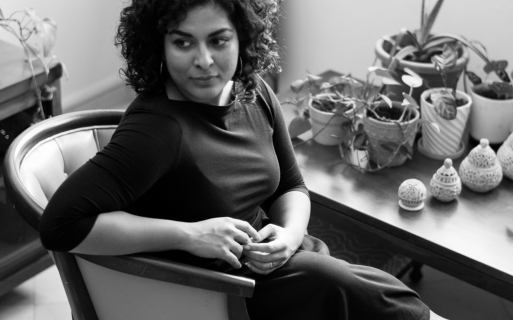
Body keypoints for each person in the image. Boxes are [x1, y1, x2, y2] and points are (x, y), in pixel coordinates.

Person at [39, 0, 447, 319]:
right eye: (183, 42)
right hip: (222, 293)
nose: (204, 61)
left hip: (282, 261)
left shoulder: (253, 92)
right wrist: (191, 234)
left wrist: (287, 236)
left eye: (218, 40)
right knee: (355, 290)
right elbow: (61, 225)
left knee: (362, 288)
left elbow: (292, 187)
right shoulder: (156, 130)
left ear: (242, 38)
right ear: (158, 44)